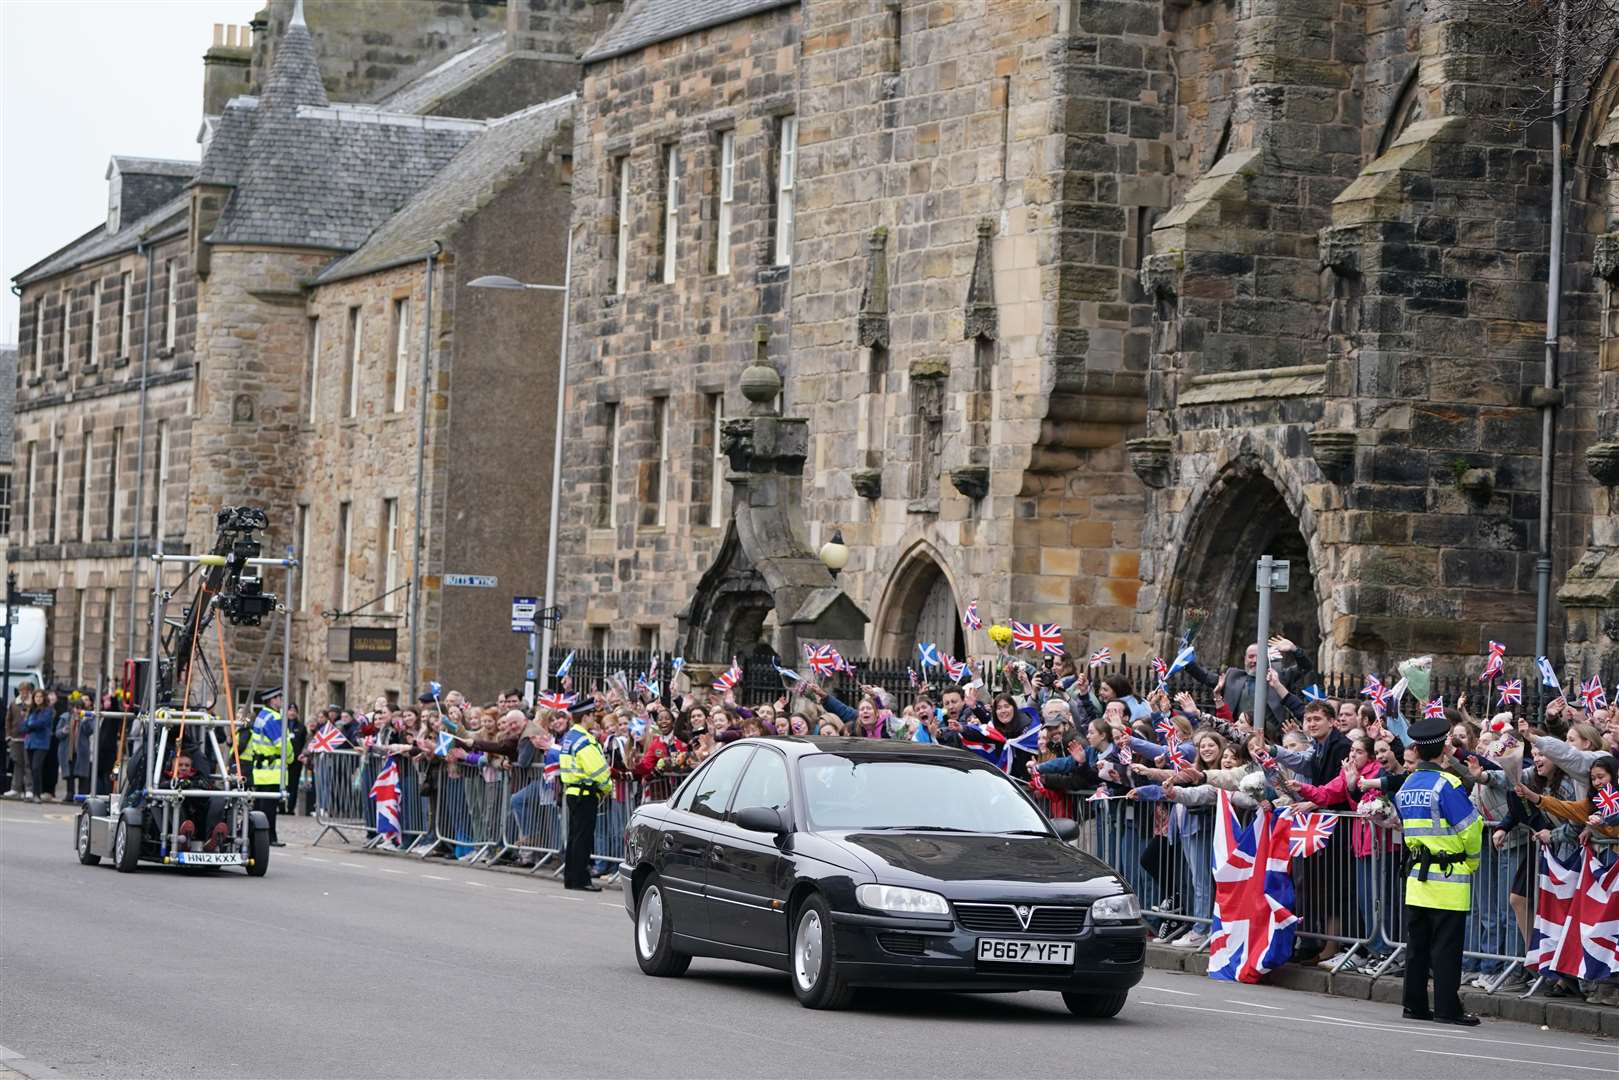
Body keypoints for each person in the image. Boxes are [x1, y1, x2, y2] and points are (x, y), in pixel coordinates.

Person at [1395, 714, 1483, 1026]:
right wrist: (1472, 861)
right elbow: (1471, 829)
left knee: (1417, 948)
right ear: (1443, 750)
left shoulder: (1405, 787)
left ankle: (1414, 1005)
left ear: (1416, 751)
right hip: (1449, 879)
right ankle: (1447, 1008)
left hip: (1418, 880)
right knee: (1446, 949)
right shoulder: (1448, 784)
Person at [558, 701, 612, 891]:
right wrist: (607, 787)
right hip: (585, 793)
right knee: (583, 839)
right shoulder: (585, 740)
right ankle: (581, 880)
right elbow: (597, 770)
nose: (594, 719)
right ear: (585, 717)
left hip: (573, 791)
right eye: (591, 715)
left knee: (574, 837)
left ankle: (571, 878)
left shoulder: (569, 737)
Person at [239, 687, 293, 846]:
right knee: (269, 808)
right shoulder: (274, 718)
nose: (282, 701)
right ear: (272, 700)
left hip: (261, 770)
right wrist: (290, 758)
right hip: (273, 771)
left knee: (260, 806)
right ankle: (270, 837)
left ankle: (253, 835)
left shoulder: (261, 715)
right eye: (279, 698)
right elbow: (281, 744)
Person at [22, 689, 54, 803]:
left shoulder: (47, 710)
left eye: (40, 697)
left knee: (36, 767)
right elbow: (24, 726)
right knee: (31, 769)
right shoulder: (31, 710)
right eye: (36, 697)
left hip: (41, 743)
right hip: (30, 743)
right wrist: (29, 724)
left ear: (44, 698)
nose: (38, 699)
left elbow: (41, 723)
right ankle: (32, 793)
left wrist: (30, 724)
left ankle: (37, 794)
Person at [5, 682, 32, 797]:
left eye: (26, 691)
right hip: (15, 738)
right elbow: (8, 720)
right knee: (17, 763)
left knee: (28, 764)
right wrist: (8, 735)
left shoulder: (32, 704)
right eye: (22, 691)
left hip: (28, 738)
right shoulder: (14, 703)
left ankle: (29, 789)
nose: (23, 693)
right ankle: (15, 788)